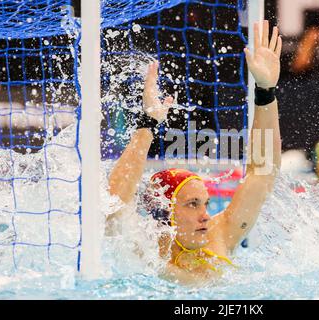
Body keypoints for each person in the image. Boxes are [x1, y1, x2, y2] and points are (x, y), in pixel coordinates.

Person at [107, 20, 282, 285]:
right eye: (192, 204)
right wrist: (148, 124)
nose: (205, 215)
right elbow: (114, 204)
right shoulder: (145, 250)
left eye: (205, 203)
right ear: (164, 211)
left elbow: (263, 174)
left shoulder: (220, 234)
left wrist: (266, 92)